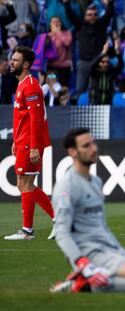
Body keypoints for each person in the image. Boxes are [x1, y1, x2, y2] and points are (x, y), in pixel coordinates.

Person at [49, 127, 125, 293]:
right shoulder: (67, 185)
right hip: (92, 255)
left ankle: (92, 280)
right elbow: (62, 232)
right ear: (73, 152)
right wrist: (82, 262)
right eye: (86, 146)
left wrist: (118, 249)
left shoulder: (96, 182)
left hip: (113, 250)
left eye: (93, 143)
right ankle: (82, 284)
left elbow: (101, 224)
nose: (94, 149)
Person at [4, 46, 55, 241]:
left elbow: (35, 119)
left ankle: (27, 231)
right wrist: (15, 140)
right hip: (23, 141)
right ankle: (58, 219)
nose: (11, 62)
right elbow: (22, 118)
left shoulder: (31, 86)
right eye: (12, 59)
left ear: (26, 65)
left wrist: (34, 146)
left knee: (25, 184)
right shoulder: (23, 84)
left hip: (30, 143)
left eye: (15, 60)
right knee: (23, 183)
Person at [63, 0, 114, 96]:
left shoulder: (101, 25)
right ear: (85, 16)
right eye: (89, 15)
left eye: (95, 14)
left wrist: (110, 2)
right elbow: (70, 15)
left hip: (99, 63)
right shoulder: (80, 25)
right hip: (84, 62)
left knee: (99, 89)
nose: (92, 17)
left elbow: (109, 13)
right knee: (80, 91)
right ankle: (79, 109)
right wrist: (66, 3)